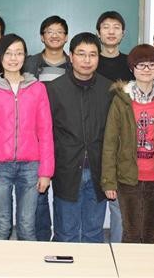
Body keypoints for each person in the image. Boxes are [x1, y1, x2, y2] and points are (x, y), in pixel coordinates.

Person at [102, 44, 154, 243]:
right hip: (128, 177)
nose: (146, 69)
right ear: (132, 68)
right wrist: (109, 181)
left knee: (151, 233)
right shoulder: (121, 100)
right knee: (130, 232)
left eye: (151, 65)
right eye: (141, 65)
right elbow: (110, 143)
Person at [0, 34, 55, 241]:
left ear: (25, 56)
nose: (13, 58)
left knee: (27, 226)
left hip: (31, 167)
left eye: (19, 53)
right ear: (0, 56)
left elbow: (46, 132)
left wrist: (46, 172)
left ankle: (28, 263)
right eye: (8, 53)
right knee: (1, 226)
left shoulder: (37, 88)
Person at [46, 32, 112, 243]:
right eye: (81, 54)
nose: (87, 60)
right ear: (71, 56)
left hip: (98, 171)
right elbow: (47, 133)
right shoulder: (54, 89)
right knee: (66, 233)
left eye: (92, 54)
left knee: (94, 233)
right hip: (66, 171)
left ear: (98, 58)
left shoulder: (109, 89)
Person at [25, 15, 71, 242]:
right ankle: (41, 239)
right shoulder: (28, 64)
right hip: (35, 137)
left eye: (59, 31)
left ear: (66, 37)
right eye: (49, 31)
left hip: (65, 137)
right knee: (38, 192)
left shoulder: (74, 64)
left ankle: (62, 239)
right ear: (42, 37)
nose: (54, 35)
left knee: (63, 191)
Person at [95, 10, 132, 242]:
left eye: (116, 27)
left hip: (122, 142)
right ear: (98, 32)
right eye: (106, 27)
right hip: (94, 139)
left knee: (119, 205)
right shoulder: (89, 61)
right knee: (94, 202)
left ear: (123, 33)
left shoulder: (131, 64)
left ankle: (119, 252)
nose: (111, 31)